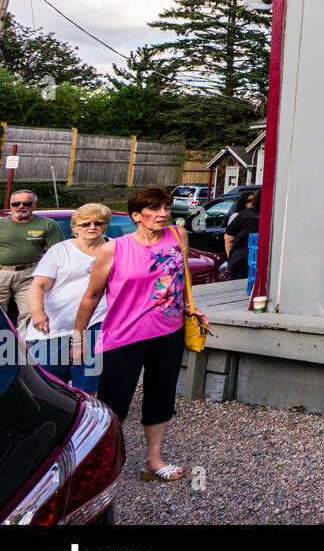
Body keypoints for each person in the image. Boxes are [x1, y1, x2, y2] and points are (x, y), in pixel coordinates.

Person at [73, 187, 207, 482]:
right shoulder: (114, 248)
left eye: (166, 208)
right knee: (114, 403)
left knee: (161, 395)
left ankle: (153, 461)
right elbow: (91, 296)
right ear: (136, 216)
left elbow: (179, 278)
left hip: (168, 332)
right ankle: (102, 463)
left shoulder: (178, 236)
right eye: (155, 209)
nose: (163, 214)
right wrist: (78, 337)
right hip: (125, 335)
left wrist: (188, 308)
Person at [26, 203, 112, 391]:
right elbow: (38, 286)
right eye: (85, 224)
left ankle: (86, 417)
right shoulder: (60, 251)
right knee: (46, 383)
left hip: (96, 324)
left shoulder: (115, 249)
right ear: (74, 227)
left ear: (105, 225)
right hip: (57, 326)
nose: (92, 227)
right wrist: (37, 312)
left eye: (98, 223)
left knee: (88, 383)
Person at [1, 189, 64, 341]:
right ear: (10, 205)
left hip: (30, 274)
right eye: (16, 203)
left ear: (34, 204)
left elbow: (58, 252)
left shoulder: (47, 225)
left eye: (26, 203)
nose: (21, 206)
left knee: (30, 311)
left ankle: (23, 348)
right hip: (1, 273)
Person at [223, 190, 260, 280]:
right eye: (249, 200)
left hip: (241, 259)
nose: (251, 203)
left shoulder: (244, 215)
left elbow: (228, 238)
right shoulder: (238, 215)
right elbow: (228, 238)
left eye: (252, 200)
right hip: (246, 260)